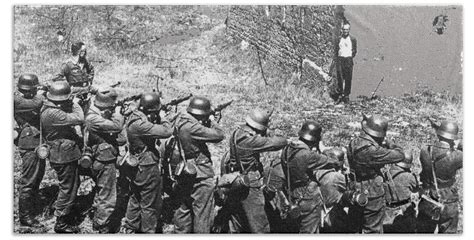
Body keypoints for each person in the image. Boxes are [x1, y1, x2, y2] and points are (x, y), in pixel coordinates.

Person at [221, 108, 288, 233]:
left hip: (234, 180)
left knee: (237, 221)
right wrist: (269, 132)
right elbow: (279, 143)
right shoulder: (250, 140)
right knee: (259, 223)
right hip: (249, 183)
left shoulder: (237, 132)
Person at [121, 92, 173, 233]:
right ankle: (148, 231)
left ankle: (131, 227)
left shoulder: (135, 116)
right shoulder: (140, 125)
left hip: (136, 165)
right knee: (150, 203)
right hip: (147, 167)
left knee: (136, 197)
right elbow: (167, 131)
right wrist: (163, 117)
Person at [172, 96, 225, 233]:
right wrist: (212, 120)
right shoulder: (193, 128)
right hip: (200, 175)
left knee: (183, 210)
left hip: (184, 170)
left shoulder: (181, 119)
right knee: (202, 214)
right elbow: (219, 135)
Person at [346, 114, 404, 233]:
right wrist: (390, 143)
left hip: (354, 189)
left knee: (355, 225)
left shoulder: (354, 142)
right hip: (372, 193)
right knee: (373, 228)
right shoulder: (372, 151)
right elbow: (400, 155)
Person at [280, 121, 340, 233]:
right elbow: (335, 161)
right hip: (308, 196)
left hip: (292, 192)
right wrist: (323, 148)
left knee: (296, 228)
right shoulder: (309, 155)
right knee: (310, 230)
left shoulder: (287, 149)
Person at [40, 81, 84, 233]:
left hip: (61, 154)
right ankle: (61, 221)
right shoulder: (54, 113)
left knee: (70, 184)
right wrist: (76, 104)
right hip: (63, 156)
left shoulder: (49, 107)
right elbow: (79, 118)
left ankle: (62, 210)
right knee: (68, 188)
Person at [85, 88, 126, 233]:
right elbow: (117, 126)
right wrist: (118, 113)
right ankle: (103, 227)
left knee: (102, 191)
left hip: (102, 157)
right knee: (108, 196)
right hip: (103, 159)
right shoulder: (92, 118)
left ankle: (98, 220)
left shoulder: (99, 114)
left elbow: (121, 139)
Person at [417, 120, 462, 234]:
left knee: (424, 231)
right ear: (453, 138)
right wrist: (459, 145)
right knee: (448, 231)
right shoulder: (457, 156)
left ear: (438, 134)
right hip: (448, 197)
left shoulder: (425, 150)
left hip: (428, 195)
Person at [14, 74, 46, 228]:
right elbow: (37, 103)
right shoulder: (18, 101)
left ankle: (32, 208)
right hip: (29, 143)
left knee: (37, 176)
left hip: (35, 141)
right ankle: (25, 217)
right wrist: (44, 93)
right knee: (29, 180)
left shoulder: (27, 98)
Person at [316, 148, 352, 233]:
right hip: (333, 213)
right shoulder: (337, 177)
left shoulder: (316, 173)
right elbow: (349, 189)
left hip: (317, 212)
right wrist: (346, 174)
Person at [52, 41, 96, 110]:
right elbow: (56, 78)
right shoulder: (67, 64)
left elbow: (91, 69)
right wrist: (67, 86)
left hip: (86, 92)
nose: (84, 53)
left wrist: (90, 80)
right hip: (75, 95)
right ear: (77, 51)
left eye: (85, 51)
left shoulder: (85, 62)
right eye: (82, 51)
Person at [382, 151, 419, 233]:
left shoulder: (385, 174)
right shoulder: (409, 176)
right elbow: (416, 189)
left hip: (387, 214)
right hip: (404, 213)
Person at [335, 22, 357, 104]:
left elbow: (354, 51)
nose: (345, 31)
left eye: (347, 29)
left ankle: (346, 96)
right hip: (340, 60)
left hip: (348, 60)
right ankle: (340, 95)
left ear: (349, 30)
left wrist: (350, 56)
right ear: (342, 30)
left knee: (348, 78)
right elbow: (336, 50)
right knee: (340, 78)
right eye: (344, 29)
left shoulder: (353, 39)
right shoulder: (338, 39)